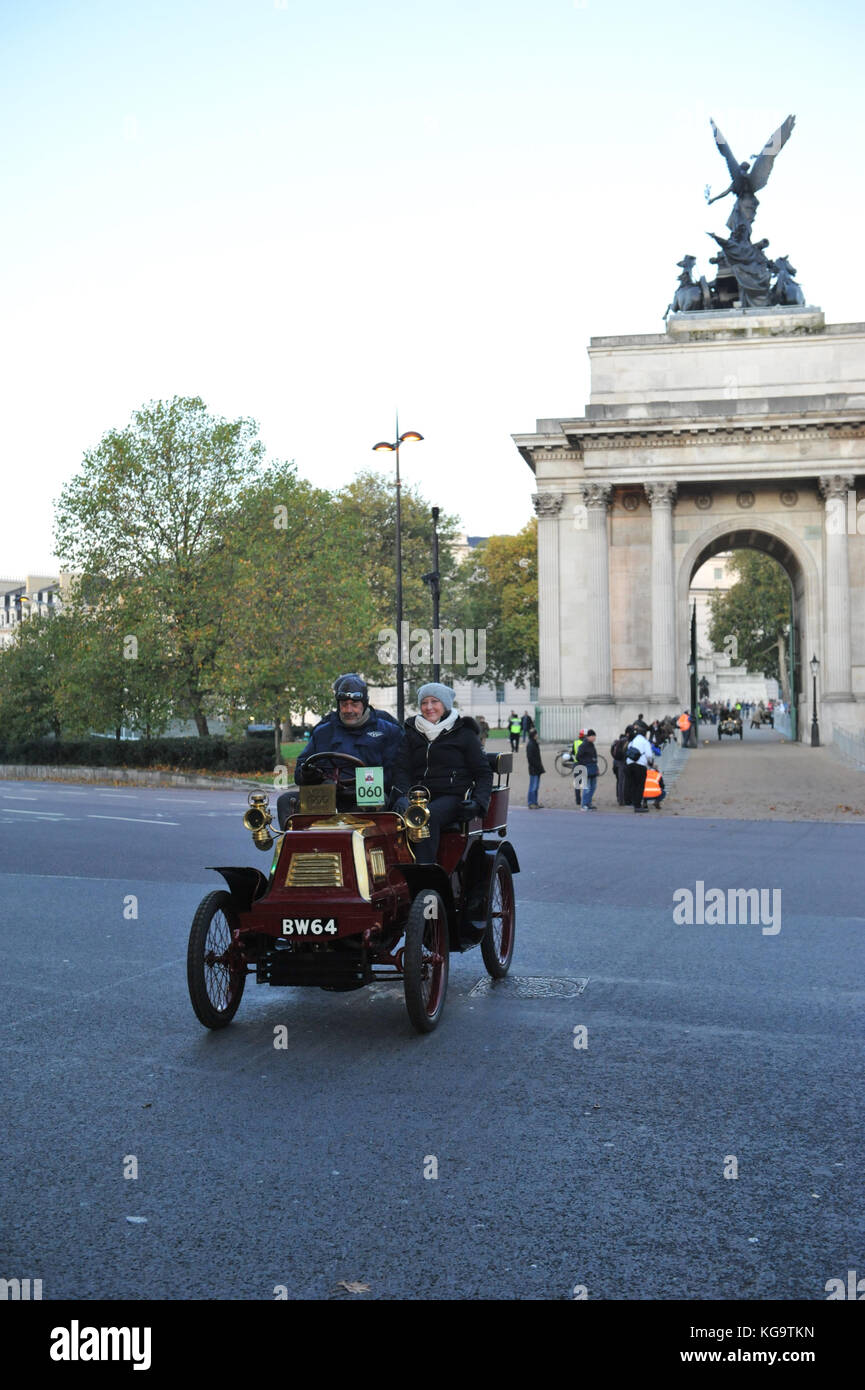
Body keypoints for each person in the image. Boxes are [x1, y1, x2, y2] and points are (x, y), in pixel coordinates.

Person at [277, 674, 403, 828]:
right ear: (338, 705)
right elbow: (300, 771)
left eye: (354, 704)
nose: (349, 710)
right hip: (327, 795)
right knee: (285, 801)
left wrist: (358, 786)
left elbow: (397, 772)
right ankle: (295, 849)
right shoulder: (323, 732)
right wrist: (308, 775)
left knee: (373, 803)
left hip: (366, 795)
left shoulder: (388, 731)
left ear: (364, 704)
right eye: (344, 704)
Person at [390, 683, 493, 865]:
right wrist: (403, 796)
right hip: (415, 795)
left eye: (434, 702)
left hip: (451, 796)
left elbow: (483, 772)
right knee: (392, 817)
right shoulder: (412, 732)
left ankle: (425, 874)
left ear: (445, 705)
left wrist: (478, 803)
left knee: (426, 817)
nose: (429, 707)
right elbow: (402, 769)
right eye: (424, 702)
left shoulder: (464, 733)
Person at [625, 726, 655, 813]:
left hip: (630, 764)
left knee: (633, 785)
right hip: (640, 765)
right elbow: (649, 755)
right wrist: (650, 762)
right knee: (640, 786)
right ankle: (638, 806)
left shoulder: (633, 741)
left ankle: (634, 803)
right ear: (645, 734)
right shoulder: (645, 742)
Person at [575, 728, 599, 810]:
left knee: (593, 786)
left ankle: (588, 803)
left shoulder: (592, 745)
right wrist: (586, 763)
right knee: (587, 787)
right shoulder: (583, 745)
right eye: (593, 736)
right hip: (586, 769)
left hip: (593, 768)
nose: (595, 738)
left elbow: (594, 756)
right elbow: (578, 757)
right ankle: (584, 805)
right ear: (589, 736)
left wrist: (596, 767)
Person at [526, 727, 545, 808]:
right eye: (536, 734)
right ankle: (531, 803)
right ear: (534, 735)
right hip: (534, 769)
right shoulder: (531, 744)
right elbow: (530, 758)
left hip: (536, 768)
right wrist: (538, 766)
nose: (537, 735)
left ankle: (535, 802)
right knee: (533, 787)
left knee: (535, 787)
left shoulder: (534, 743)